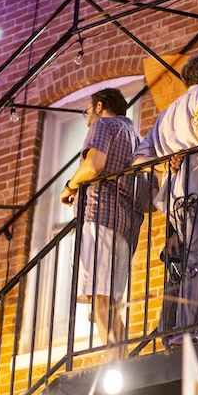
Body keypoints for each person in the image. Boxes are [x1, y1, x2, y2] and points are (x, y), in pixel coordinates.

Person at [131, 54, 198, 345]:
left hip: (178, 200)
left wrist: (166, 164)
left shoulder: (167, 113)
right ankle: (187, 333)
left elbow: (139, 159)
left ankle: (192, 332)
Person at [60, 87, 146, 358]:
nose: (87, 117)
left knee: (100, 300)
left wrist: (69, 186)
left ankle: (113, 365)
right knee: (111, 305)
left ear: (99, 106)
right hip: (127, 227)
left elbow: (93, 165)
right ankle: (122, 362)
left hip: (99, 217)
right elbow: (147, 197)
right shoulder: (139, 140)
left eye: (88, 110)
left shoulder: (103, 125)